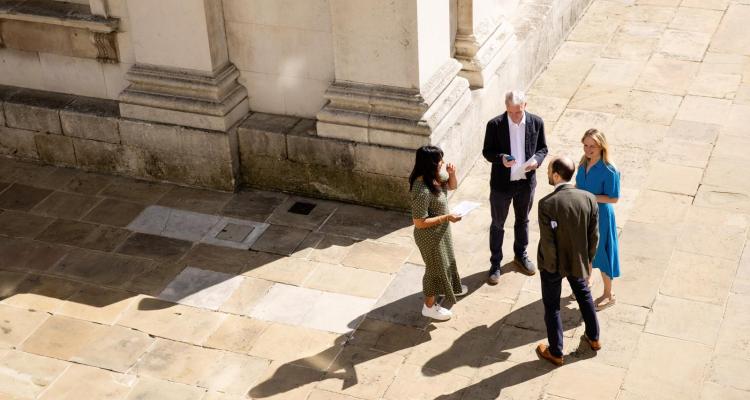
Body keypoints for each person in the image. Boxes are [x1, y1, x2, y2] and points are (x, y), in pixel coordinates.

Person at [536, 156, 601, 366]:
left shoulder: (546, 203)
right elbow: (594, 236)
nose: (547, 173)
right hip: (578, 260)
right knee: (584, 296)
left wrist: (552, 268)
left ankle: (556, 351)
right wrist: (588, 260)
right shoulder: (589, 198)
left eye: (548, 171)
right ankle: (594, 337)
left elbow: (548, 241)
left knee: (552, 306)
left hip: (553, 265)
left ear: (556, 175)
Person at [483, 90, 548, 284]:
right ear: (506, 108)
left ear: (525, 106)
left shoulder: (536, 122)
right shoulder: (495, 125)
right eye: (511, 112)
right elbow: (487, 152)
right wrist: (501, 158)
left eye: (518, 112)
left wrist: (536, 160)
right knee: (497, 224)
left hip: (525, 183)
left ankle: (521, 255)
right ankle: (495, 264)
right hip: (501, 185)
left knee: (523, 220)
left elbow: (543, 149)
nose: (515, 116)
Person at [409, 145, 468, 321]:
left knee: (447, 260)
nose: (442, 162)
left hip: (441, 232)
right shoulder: (421, 190)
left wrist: (452, 173)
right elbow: (419, 222)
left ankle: (450, 287)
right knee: (434, 270)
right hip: (430, 237)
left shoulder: (434, 177)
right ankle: (429, 307)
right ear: (430, 163)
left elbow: (452, 185)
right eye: (439, 160)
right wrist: (446, 217)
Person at [575, 129, 621, 311]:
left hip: (601, 216)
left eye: (592, 146)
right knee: (584, 250)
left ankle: (609, 294)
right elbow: (579, 184)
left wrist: (589, 196)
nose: (588, 149)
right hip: (584, 213)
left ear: (601, 146)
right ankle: (586, 282)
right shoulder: (583, 162)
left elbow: (614, 198)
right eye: (585, 145)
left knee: (602, 253)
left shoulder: (610, 170)